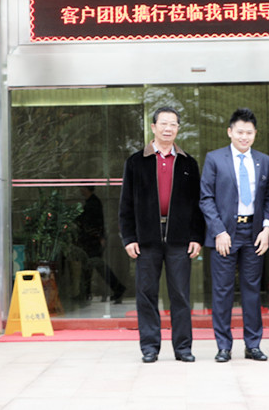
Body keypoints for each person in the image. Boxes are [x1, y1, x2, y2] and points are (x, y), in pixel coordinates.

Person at [118, 106, 203, 363]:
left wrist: (196, 237)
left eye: (173, 124)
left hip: (179, 240)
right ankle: (150, 348)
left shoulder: (188, 163)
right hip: (146, 240)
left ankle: (183, 348)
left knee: (181, 296)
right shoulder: (136, 162)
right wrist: (129, 238)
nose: (168, 128)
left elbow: (197, 205)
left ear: (178, 128)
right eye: (163, 123)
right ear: (153, 127)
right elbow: (126, 204)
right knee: (146, 295)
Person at [200, 108, 269, 363]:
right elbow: (206, 198)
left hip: (254, 233)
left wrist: (267, 228)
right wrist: (219, 230)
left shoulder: (264, 160)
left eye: (249, 132)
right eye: (240, 132)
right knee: (222, 291)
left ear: (255, 134)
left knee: (252, 291)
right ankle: (223, 346)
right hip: (225, 234)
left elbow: (268, 198)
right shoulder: (214, 159)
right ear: (230, 132)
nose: (244, 137)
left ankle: (253, 345)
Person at [76, 186, 125, 303]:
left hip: (92, 240)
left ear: (86, 189)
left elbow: (93, 223)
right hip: (93, 239)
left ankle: (117, 288)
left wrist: (99, 236)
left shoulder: (93, 203)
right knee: (90, 266)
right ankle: (85, 292)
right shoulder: (92, 202)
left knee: (96, 265)